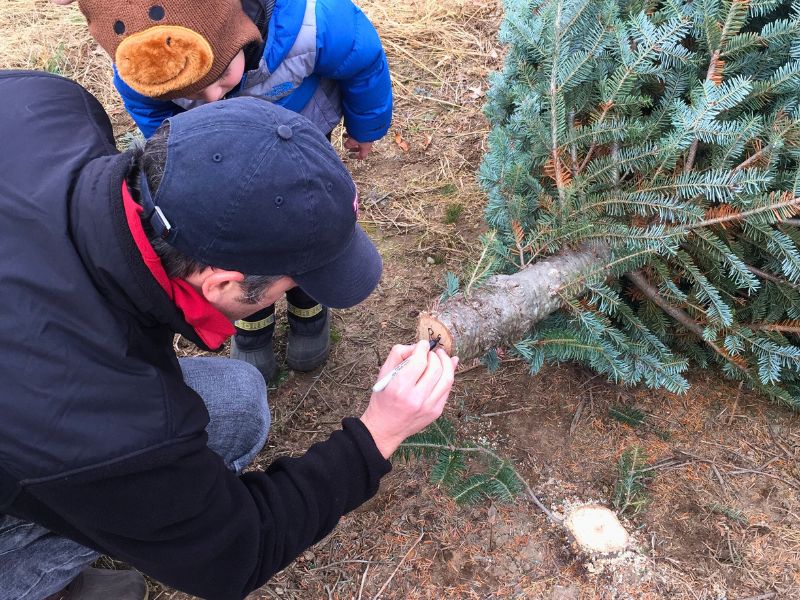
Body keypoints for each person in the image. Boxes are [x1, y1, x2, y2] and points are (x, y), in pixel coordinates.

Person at [0, 70, 456, 600]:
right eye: (291, 286)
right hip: (35, 410)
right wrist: (379, 433)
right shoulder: (111, 422)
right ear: (222, 282)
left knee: (236, 402)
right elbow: (236, 554)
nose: (292, 296)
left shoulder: (43, 106)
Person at [60, 0, 394, 382]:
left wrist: (366, 127)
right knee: (244, 250)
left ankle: (309, 306)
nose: (213, 100)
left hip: (301, 145)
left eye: (219, 79)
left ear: (239, 31)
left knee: (304, 240)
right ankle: (253, 324)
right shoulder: (145, 68)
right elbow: (154, 118)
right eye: (192, 96)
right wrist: (180, 165)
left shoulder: (314, 25)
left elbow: (362, 59)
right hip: (219, 170)